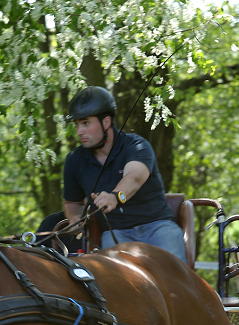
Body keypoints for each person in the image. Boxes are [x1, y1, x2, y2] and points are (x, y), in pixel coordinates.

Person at [60, 86, 187, 264]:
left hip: (158, 227)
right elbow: (72, 202)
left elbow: (133, 178)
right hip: (116, 232)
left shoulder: (136, 146)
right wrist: (75, 217)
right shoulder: (75, 161)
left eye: (86, 123)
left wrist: (114, 197)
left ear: (105, 122)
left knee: (176, 281)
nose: (79, 131)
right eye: (77, 125)